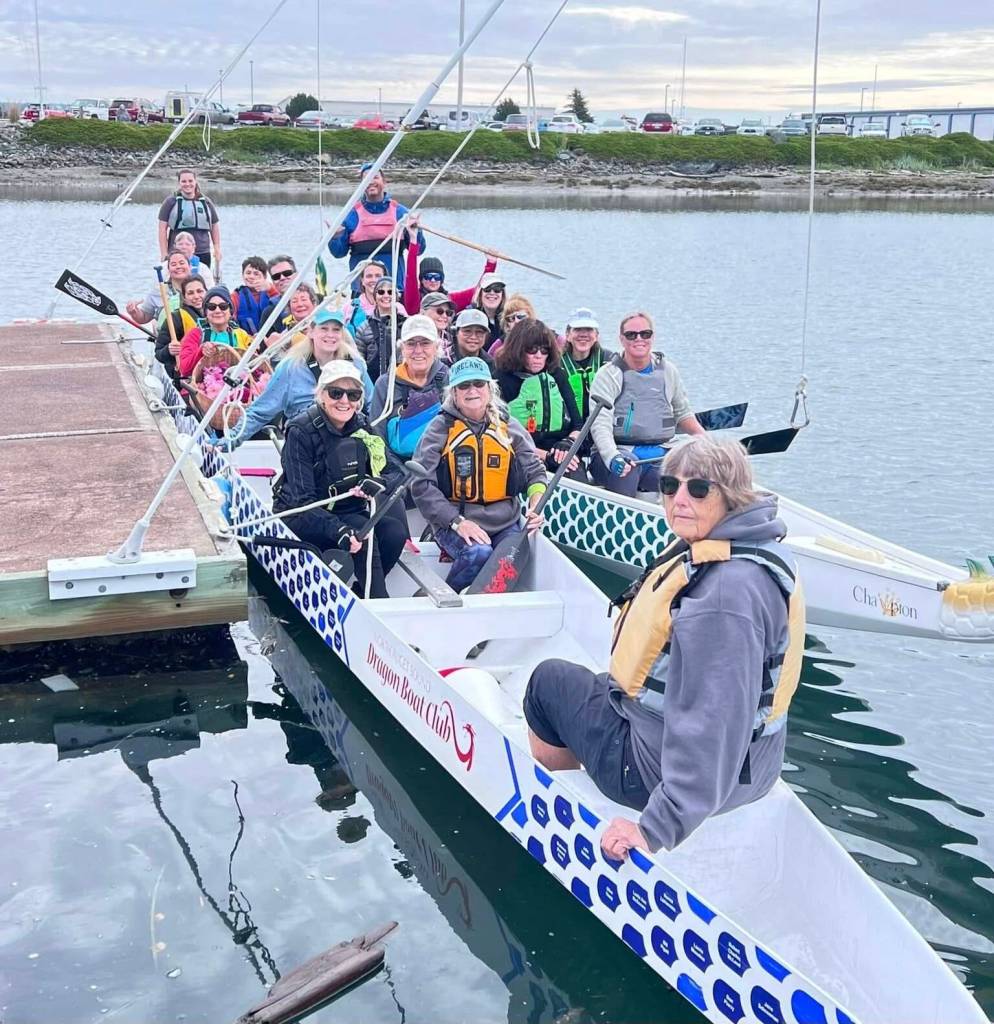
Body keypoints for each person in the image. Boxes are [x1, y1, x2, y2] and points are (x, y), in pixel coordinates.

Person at [524, 434, 805, 858]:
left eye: (699, 489)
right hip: (755, 770)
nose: (680, 500)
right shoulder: (752, 545)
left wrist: (656, 828)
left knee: (548, 683)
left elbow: (715, 719)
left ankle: (561, 802)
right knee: (601, 684)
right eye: (670, 486)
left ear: (731, 494)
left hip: (657, 774)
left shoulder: (725, 597)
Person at [412, 357, 547, 593]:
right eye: (464, 385)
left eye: (478, 383)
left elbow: (535, 471)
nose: (472, 390)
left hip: (505, 522)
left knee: (508, 562)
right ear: (454, 393)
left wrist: (537, 503)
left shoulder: (509, 425)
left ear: (489, 388)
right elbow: (421, 484)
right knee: (478, 552)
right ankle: (443, 596)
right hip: (455, 521)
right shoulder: (439, 428)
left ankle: (480, 604)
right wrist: (457, 522)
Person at [274, 360, 407, 599]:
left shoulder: (362, 426)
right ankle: (378, 599)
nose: (344, 401)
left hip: (347, 512)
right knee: (361, 533)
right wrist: (339, 530)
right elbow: (302, 501)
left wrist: (379, 483)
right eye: (336, 393)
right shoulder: (300, 431)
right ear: (321, 395)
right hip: (302, 514)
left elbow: (396, 472)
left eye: (353, 394)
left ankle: (359, 594)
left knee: (394, 532)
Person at [588, 311, 705, 496]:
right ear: (621, 339)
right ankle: (622, 511)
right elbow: (600, 425)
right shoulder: (608, 375)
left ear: (652, 337)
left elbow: (682, 413)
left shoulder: (668, 371)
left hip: (660, 454)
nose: (639, 339)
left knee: (695, 473)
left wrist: (704, 439)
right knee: (626, 471)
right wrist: (613, 457)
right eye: (631, 335)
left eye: (645, 334)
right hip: (618, 454)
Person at [221, 309, 372, 449]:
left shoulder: (355, 364)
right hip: (304, 447)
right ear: (311, 331)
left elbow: (372, 405)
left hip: (347, 447)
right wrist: (229, 440)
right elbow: (260, 411)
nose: (330, 335)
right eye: (324, 328)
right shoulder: (291, 367)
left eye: (336, 330)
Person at [493, 319, 583, 474]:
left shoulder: (557, 375)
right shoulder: (501, 379)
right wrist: (544, 455)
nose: (538, 356)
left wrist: (568, 443)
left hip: (559, 450)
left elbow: (578, 425)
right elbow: (497, 430)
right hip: (519, 452)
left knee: (575, 471)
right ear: (518, 349)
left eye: (544, 350)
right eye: (532, 350)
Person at [369, 315, 449, 485]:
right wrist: (402, 475)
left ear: (436, 347)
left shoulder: (448, 379)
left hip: (444, 472)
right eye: (411, 343)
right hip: (400, 475)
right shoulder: (386, 384)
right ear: (402, 348)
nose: (418, 350)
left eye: (425, 343)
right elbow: (377, 437)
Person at [329, 165, 424, 290]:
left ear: (384, 182)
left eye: (375, 177)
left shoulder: (401, 213)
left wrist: (417, 232)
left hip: (394, 290)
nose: (371, 182)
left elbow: (419, 250)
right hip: (361, 290)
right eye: (366, 178)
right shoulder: (351, 215)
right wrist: (335, 238)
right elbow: (338, 253)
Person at [400, 216, 497, 316]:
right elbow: (411, 276)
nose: (433, 280)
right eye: (428, 276)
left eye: (437, 277)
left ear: (442, 280)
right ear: (421, 280)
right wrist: (413, 238)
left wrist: (491, 263)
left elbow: (479, 290)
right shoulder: (414, 301)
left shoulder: (451, 300)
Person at [178, 286, 251, 378]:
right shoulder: (195, 334)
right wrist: (200, 351)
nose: (217, 310)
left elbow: (253, 363)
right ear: (206, 312)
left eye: (223, 306)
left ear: (230, 311)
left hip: (238, 382)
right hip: (205, 384)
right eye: (211, 307)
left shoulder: (242, 334)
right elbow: (184, 370)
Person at [157, 169, 221, 271]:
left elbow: (214, 226)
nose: (187, 184)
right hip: (178, 253)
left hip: (202, 251)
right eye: (184, 181)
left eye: (190, 181)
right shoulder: (170, 202)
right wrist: (164, 253)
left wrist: (217, 248)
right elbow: (162, 229)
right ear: (179, 183)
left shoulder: (206, 202)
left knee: (201, 277)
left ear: (195, 182)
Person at [155, 275, 206, 383]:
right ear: (184, 297)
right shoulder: (175, 319)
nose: (196, 296)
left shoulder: (215, 314)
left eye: (200, 291)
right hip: (184, 376)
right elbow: (159, 353)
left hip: (209, 370)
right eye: (190, 293)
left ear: (206, 292)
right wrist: (168, 350)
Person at [354, 278, 406, 384]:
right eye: (381, 292)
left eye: (390, 292)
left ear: (396, 297)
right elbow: (358, 363)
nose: (386, 296)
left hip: (402, 382)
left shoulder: (406, 325)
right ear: (375, 297)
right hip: (373, 383)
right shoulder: (363, 328)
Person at [125, 250, 193, 325]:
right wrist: (134, 312)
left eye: (182, 263)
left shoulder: (199, 288)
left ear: (190, 267)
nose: (178, 267)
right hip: (167, 331)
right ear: (168, 269)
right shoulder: (159, 290)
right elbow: (144, 317)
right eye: (173, 264)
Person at [560, 307, 603, 419]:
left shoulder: (607, 361)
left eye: (589, 329)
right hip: (570, 426)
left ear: (596, 336)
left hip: (601, 424)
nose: (583, 334)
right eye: (578, 329)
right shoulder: (556, 365)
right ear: (567, 335)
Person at [229, 256, 276, 334]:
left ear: (265, 277)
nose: (251, 276)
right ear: (243, 275)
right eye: (248, 273)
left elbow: (284, 307)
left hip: (273, 338)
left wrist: (270, 288)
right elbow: (230, 320)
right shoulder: (235, 296)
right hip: (247, 338)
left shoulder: (272, 291)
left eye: (256, 274)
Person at [469, 272, 506, 350]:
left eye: (497, 289)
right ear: (480, 293)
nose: (492, 293)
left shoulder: (510, 318)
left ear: (502, 294)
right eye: (487, 289)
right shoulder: (470, 316)